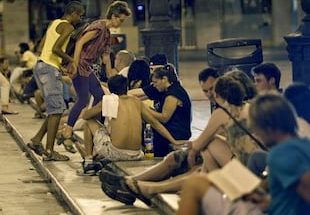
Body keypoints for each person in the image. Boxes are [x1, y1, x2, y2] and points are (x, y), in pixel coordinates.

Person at [100, 76, 261, 206]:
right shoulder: (252, 109)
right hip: (252, 166)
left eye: (211, 92)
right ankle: (137, 185)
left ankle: (140, 186)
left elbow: (200, 143)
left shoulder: (221, 113)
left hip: (242, 170)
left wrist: (192, 147)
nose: (209, 96)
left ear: (219, 95)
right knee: (198, 158)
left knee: (200, 157)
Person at [177, 93, 310, 215]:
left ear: (268, 127)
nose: (257, 134)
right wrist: (266, 200)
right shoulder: (303, 145)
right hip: (269, 207)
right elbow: (293, 197)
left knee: (194, 185)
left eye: (257, 129)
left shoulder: (283, 154)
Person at [61, 1, 132, 152]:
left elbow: (106, 54)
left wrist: (109, 72)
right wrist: (74, 63)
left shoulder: (106, 32)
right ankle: (68, 131)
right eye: (120, 19)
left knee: (100, 95)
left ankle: (89, 120)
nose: (120, 23)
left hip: (86, 67)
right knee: (84, 99)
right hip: (79, 65)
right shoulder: (99, 27)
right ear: (113, 16)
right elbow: (80, 42)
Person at [78, 75, 186, 173]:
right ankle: (99, 159)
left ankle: (88, 161)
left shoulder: (109, 100)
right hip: (136, 154)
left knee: (88, 123)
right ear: (127, 88)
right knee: (108, 134)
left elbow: (86, 116)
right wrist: (173, 141)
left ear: (111, 90)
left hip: (116, 152)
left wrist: (91, 106)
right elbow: (155, 123)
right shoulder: (136, 101)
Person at [26, 1, 85, 161]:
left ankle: (37, 140)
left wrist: (58, 66)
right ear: (73, 13)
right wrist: (72, 60)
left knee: (54, 109)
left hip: (42, 66)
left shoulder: (54, 23)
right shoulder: (68, 26)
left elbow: (42, 47)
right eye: (79, 15)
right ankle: (50, 151)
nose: (79, 19)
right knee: (57, 110)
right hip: (49, 69)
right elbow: (56, 49)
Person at [128, 65, 192, 157]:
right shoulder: (164, 90)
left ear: (164, 79)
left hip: (176, 132)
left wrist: (146, 109)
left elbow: (164, 118)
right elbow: (142, 94)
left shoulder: (173, 94)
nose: (154, 85)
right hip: (169, 129)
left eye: (155, 82)